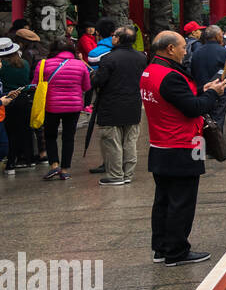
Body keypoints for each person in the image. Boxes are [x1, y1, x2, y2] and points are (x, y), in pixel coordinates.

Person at [141, 31, 224, 266]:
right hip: (182, 144)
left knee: (164, 200)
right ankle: (176, 251)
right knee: (182, 201)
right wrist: (212, 93)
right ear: (169, 49)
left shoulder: (150, 70)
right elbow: (193, 108)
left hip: (161, 144)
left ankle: (161, 247)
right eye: (182, 47)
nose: (186, 51)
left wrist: (203, 90)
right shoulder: (169, 75)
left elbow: (178, 100)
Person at [91, 26, 146, 186]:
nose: (112, 37)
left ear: (118, 39)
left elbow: (98, 81)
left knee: (112, 142)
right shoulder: (141, 58)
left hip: (111, 106)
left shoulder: (109, 59)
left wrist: (93, 76)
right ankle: (128, 173)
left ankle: (115, 176)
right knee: (130, 141)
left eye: (114, 35)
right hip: (133, 104)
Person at [37, 37, 91, 181]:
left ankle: (54, 165)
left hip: (51, 106)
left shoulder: (43, 64)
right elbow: (87, 86)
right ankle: (65, 169)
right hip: (73, 106)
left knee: (50, 136)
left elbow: (35, 84)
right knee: (68, 137)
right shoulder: (80, 65)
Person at [1, 37, 33, 173]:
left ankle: (11, 162)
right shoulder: (24, 63)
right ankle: (27, 159)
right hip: (23, 98)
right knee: (25, 129)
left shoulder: (2, 67)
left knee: (10, 132)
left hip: (6, 100)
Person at [190, 26, 226, 132]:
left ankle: (205, 143)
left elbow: (192, 71)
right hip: (219, 91)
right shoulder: (224, 52)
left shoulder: (197, 52)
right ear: (217, 36)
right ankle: (216, 144)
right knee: (217, 121)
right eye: (221, 35)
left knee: (203, 121)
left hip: (201, 90)